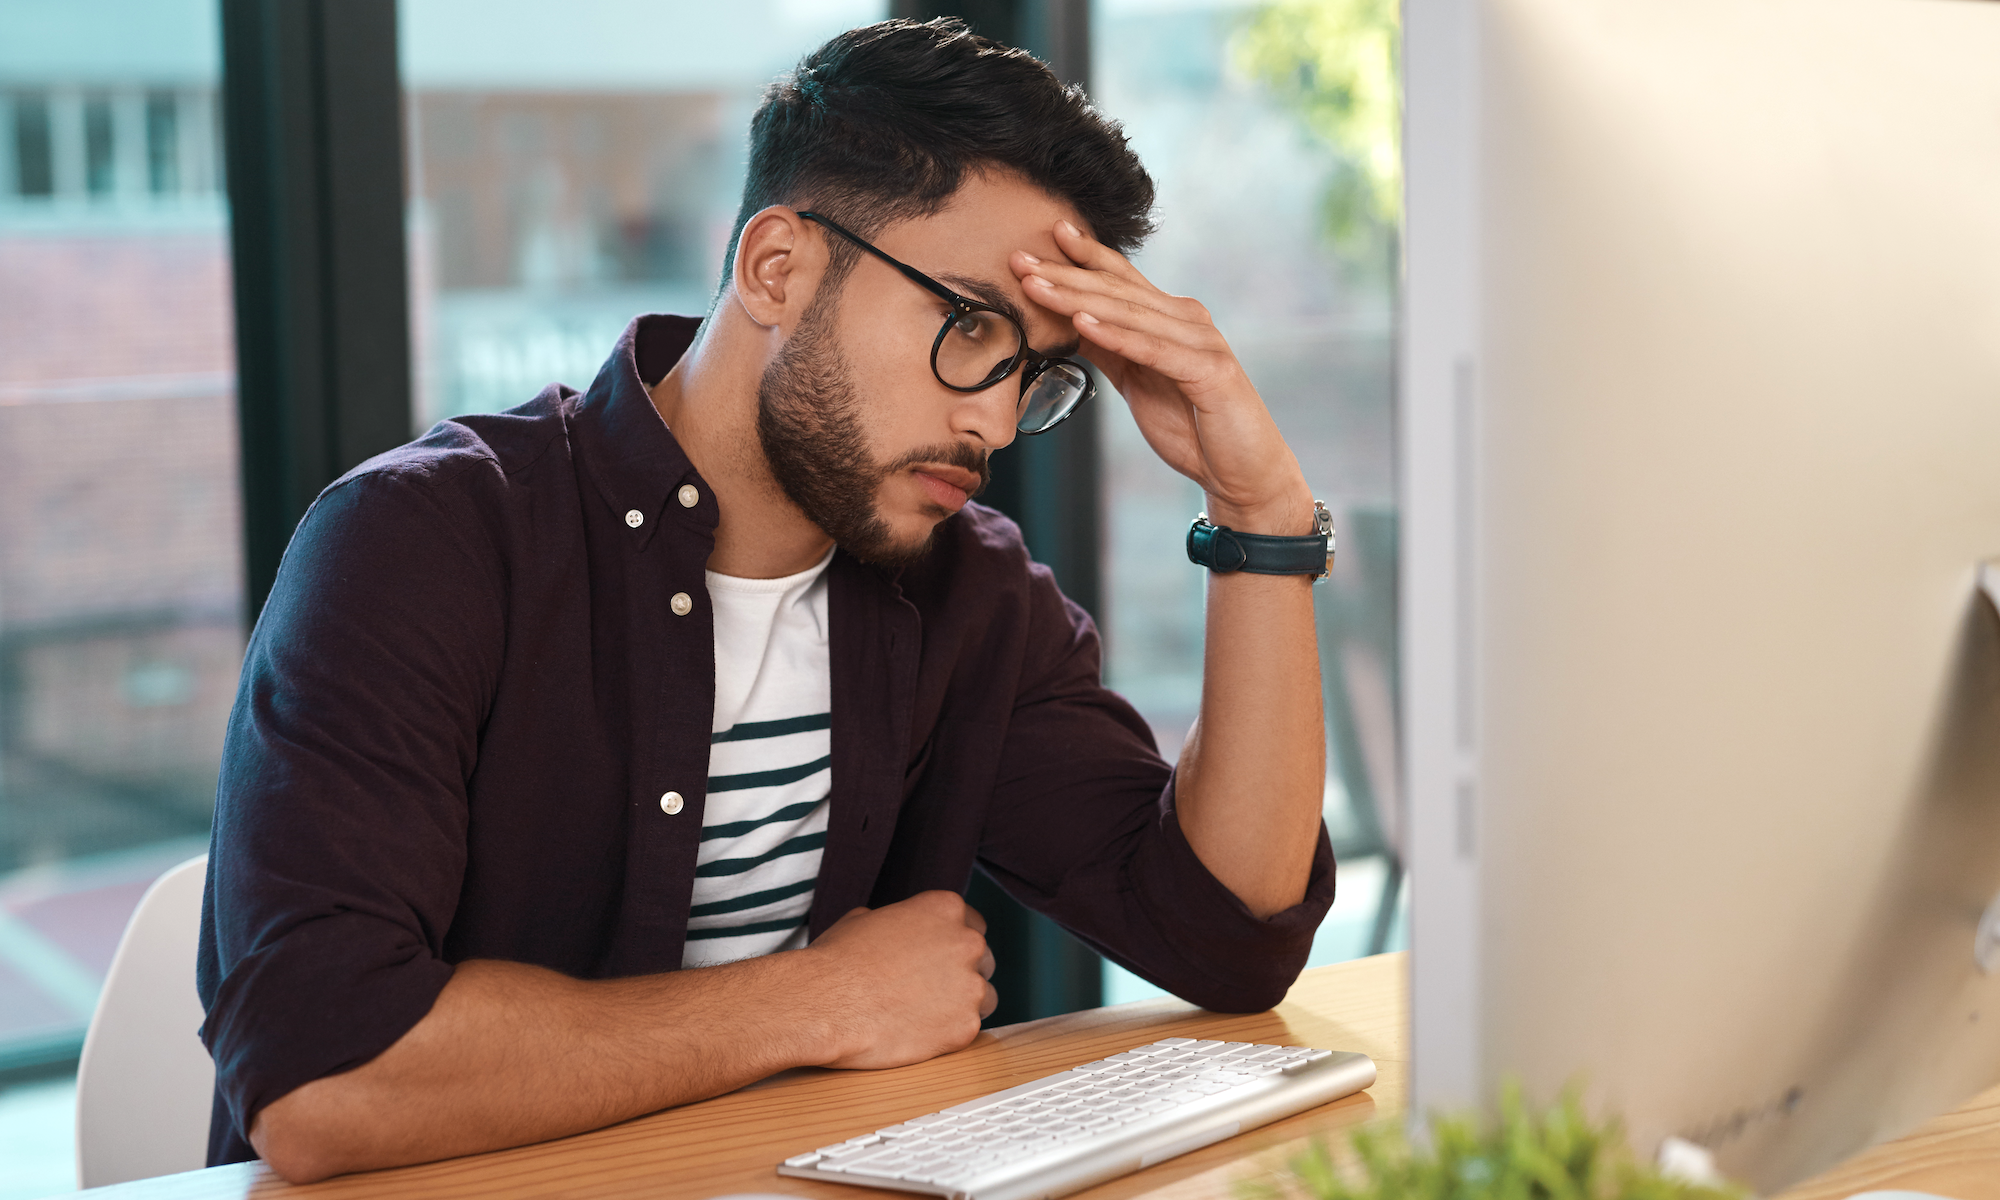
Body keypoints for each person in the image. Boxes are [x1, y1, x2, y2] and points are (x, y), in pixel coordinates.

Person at [198, 17, 1337, 1185]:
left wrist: (1258, 512)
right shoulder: (420, 540)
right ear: (775, 267)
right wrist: (816, 1003)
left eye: (1036, 376)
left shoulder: (973, 592)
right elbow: (322, 1083)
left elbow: (1223, 937)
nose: (994, 422)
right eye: (968, 326)